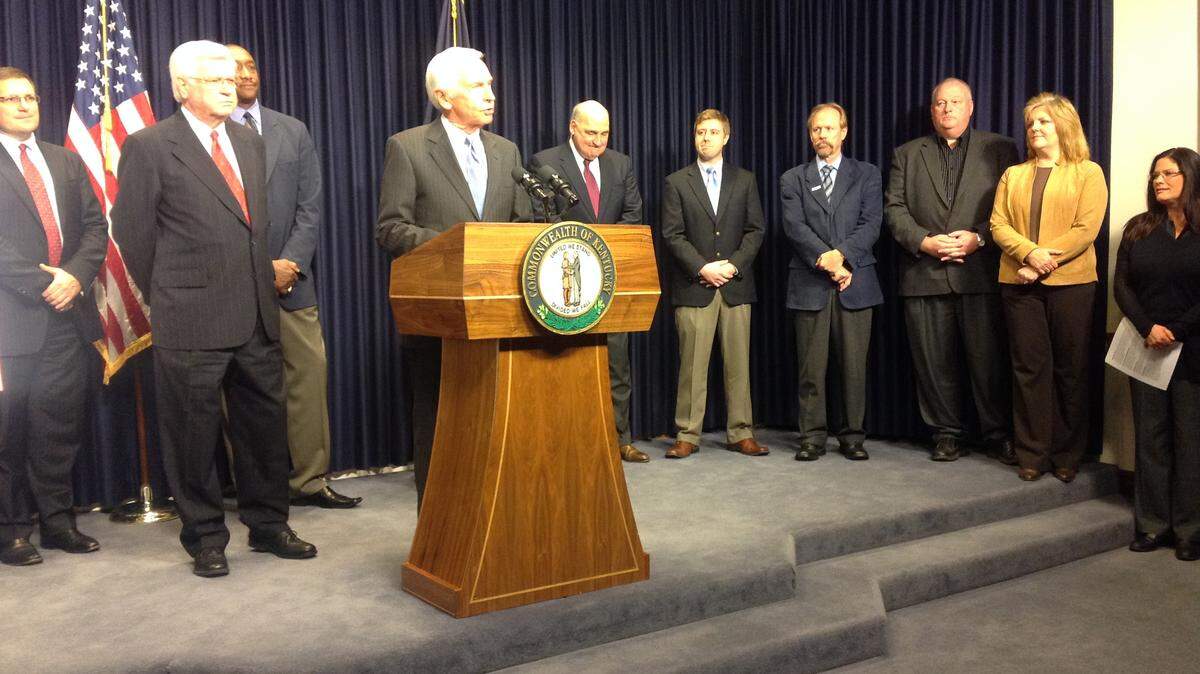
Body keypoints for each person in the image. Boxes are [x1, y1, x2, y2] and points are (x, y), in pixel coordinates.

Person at [112, 41, 317, 577]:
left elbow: (256, 228)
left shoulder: (249, 142)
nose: (231, 85)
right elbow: (132, 234)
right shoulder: (150, 146)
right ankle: (205, 537)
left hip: (256, 314)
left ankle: (270, 525)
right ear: (182, 87)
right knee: (192, 436)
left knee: (264, 431)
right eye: (215, 79)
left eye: (232, 77)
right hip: (191, 318)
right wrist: (176, 292)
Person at [375, 47, 529, 503]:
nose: (490, 94)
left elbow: (520, 226)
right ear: (443, 96)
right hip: (438, 317)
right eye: (478, 86)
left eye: (490, 84)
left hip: (500, 313)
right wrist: (458, 248)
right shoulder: (408, 147)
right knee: (440, 423)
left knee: (497, 424)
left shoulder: (506, 151)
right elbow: (390, 229)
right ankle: (439, 528)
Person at [225, 44, 359, 509]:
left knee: (307, 380)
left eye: (251, 65)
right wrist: (259, 270)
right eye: (234, 67)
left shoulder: (292, 129)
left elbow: (310, 207)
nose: (245, 73)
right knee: (240, 391)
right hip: (233, 287)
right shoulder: (207, 135)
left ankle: (309, 481)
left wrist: (289, 265)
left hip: (293, 283)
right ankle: (254, 489)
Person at [0, 67, 107, 566]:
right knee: (8, 429)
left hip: (67, 314)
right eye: (12, 99)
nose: (25, 105)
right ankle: (11, 528)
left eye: (31, 96)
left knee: (57, 425)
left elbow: (94, 226)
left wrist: (75, 278)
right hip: (10, 319)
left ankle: (57, 522)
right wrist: (46, 282)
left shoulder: (65, 160)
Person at [885, 78, 1019, 464]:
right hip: (923, 274)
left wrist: (979, 238)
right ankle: (945, 433)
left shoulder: (1000, 149)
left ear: (971, 107)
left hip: (980, 273)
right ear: (932, 111)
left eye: (955, 102)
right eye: (941, 103)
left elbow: (1012, 208)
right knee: (933, 361)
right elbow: (894, 209)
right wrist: (924, 240)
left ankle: (996, 433)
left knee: (989, 360)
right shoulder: (907, 154)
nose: (947, 109)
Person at [989, 92, 1107, 483]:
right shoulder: (1013, 175)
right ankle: (1032, 453)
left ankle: (1066, 453)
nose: (1035, 128)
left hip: (1071, 285)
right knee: (1029, 370)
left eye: (1044, 121)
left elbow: (1085, 231)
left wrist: (1042, 264)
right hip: (1018, 284)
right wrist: (1029, 255)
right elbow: (998, 225)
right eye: (1031, 123)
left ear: (1063, 125)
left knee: (1070, 370)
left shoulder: (1088, 172)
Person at [531, 100, 647, 463]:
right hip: (563, 280)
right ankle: (568, 445)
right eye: (591, 133)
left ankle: (619, 439)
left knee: (617, 361)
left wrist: (601, 251)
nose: (598, 142)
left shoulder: (621, 163)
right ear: (573, 128)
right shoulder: (545, 163)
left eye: (604, 134)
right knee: (567, 364)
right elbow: (539, 217)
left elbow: (633, 214)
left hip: (608, 278)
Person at [660, 108, 768, 459]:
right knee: (692, 367)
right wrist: (703, 267)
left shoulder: (745, 180)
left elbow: (756, 230)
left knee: (739, 365)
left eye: (712, 132)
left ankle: (741, 432)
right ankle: (687, 434)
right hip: (695, 287)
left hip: (736, 287)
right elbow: (672, 235)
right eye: (700, 132)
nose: (705, 138)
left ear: (726, 137)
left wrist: (733, 266)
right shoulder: (677, 182)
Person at [781, 103, 883, 462]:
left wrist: (843, 258)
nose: (821, 135)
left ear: (843, 132)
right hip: (810, 283)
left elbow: (871, 223)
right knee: (811, 368)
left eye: (828, 129)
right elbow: (794, 227)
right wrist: (827, 260)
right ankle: (812, 437)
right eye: (815, 130)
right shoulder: (793, 178)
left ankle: (852, 435)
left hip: (856, 282)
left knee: (854, 368)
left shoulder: (867, 174)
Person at [1113, 147, 1200, 562]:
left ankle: (1189, 530)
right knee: (1150, 438)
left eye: (1169, 173)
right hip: (1146, 348)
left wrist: (1177, 330)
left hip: (1193, 350)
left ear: (1191, 177)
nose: (1159, 180)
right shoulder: (1138, 229)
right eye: (1154, 175)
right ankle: (1151, 525)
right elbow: (1122, 286)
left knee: (1190, 441)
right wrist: (1149, 328)